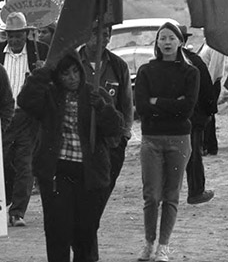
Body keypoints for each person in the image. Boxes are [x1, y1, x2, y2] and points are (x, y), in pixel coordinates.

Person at [17, 50, 123, 262]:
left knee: (86, 232)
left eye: (75, 71)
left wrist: (102, 108)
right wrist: (44, 72)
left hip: (89, 174)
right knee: (58, 232)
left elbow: (115, 129)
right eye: (65, 73)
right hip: (57, 172)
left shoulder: (95, 94)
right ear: (58, 76)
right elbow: (25, 100)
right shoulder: (49, 95)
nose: (72, 77)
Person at [135, 22, 199, 262]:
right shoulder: (145, 71)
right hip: (151, 139)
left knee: (171, 195)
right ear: (157, 42)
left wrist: (155, 101)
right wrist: (170, 103)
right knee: (151, 195)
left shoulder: (190, 72)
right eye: (163, 38)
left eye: (172, 37)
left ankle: (164, 246)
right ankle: (148, 242)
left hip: (179, 139)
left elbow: (186, 109)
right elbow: (140, 106)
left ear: (180, 42)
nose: (167, 42)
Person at [0, 11, 49, 226]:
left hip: (28, 117)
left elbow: (51, 83)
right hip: (1, 116)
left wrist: (43, 72)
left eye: (19, 36)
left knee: (26, 164)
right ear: (5, 35)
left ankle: (17, 212)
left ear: (26, 34)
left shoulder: (40, 53)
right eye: (10, 36)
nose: (14, 40)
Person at [78, 24, 133, 261]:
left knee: (95, 207)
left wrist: (125, 135)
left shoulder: (118, 66)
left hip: (110, 147)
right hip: (77, 147)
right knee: (81, 209)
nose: (104, 37)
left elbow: (126, 103)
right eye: (97, 32)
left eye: (108, 33)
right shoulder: (72, 63)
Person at [180, 26, 217, 205]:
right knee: (193, 154)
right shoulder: (195, 61)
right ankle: (196, 192)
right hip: (192, 118)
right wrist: (209, 113)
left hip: (169, 119)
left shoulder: (157, 63)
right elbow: (208, 90)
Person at [199, 43, 227, 156]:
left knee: (208, 113)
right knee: (207, 113)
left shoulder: (216, 46)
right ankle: (209, 145)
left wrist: (207, 87)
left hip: (211, 83)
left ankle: (207, 145)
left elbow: (214, 69)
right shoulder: (207, 44)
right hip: (206, 83)